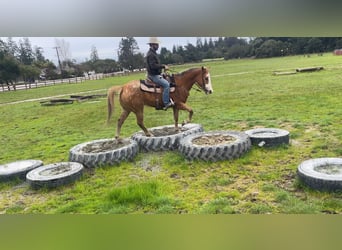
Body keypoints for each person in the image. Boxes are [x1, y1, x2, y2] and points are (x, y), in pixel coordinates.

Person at [146, 37, 174, 110]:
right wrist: (163, 66)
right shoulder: (151, 54)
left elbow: (156, 65)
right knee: (166, 85)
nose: (158, 46)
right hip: (153, 75)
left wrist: (162, 68)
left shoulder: (153, 53)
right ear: (152, 45)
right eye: (157, 44)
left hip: (156, 74)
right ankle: (166, 103)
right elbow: (153, 66)